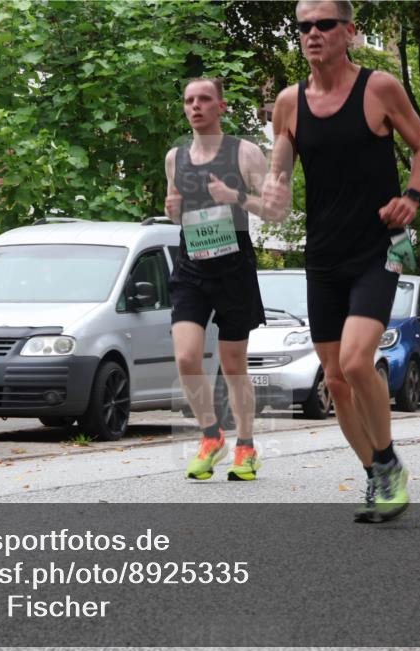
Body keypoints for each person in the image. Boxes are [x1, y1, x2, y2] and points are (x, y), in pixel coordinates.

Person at [262, 0, 420, 521]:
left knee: (359, 361)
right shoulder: (288, 104)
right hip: (323, 255)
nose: (312, 33)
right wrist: (268, 190)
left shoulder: (379, 88)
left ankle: (387, 461)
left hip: (376, 249)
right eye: (304, 26)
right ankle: (378, 476)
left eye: (324, 24)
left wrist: (411, 197)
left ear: (349, 31)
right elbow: (280, 172)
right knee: (335, 378)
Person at [164, 77, 270, 481]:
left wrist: (237, 198)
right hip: (191, 265)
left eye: (204, 99)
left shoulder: (245, 152)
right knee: (187, 356)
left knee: (232, 363)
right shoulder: (175, 157)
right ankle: (211, 435)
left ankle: (245, 445)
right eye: (189, 100)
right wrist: (172, 208)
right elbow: (175, 208)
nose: (196, 106)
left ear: (221, 107)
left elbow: (275, 210)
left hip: (233, 266)